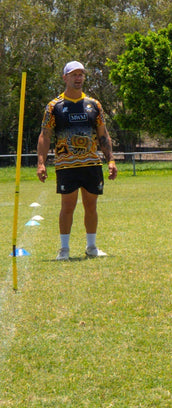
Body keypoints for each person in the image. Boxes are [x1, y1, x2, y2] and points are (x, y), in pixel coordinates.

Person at [35, 61, 118, 260]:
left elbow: (103, 134)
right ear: (65, 78)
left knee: (91, 206)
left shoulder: (94, 105)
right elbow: (45, 136)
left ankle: (92, 247)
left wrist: (111, 160)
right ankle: (64, 250)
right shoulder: (54, 106)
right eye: (74, 74)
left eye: (81, 74)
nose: (78, 78)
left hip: (91, 164)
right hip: (66, 166)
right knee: (67, 206)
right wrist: (41, 163)